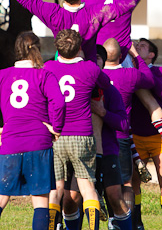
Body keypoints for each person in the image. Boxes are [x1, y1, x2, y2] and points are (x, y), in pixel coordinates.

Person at [85, 0, 162, 171]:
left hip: (98, 62)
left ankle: (130, 158)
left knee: (96, 110)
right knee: (144, 102)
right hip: (124, 59)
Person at [0, 31, 65, 230]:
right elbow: (58, 102)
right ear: (37, 49)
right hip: (39, 143)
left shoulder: (2, 75)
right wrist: (56, 127)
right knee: (40, 201)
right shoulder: (44, 74)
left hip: (11, 143)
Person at [44, 30, 113, 230]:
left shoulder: (48, 67)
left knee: (56, 189)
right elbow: (106, 84)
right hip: (82, 134)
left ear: (57, 49)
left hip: (56, 135)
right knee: (87, 187)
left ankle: (51, 226)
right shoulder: (90, 68)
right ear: (80, 49)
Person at [63, 47, 132, 230]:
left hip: (107, 151)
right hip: (76, 150)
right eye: (90, 58)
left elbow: (124, 124)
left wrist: (103, 112)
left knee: (115, 196)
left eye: (99, 58)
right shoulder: (71, 87)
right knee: (71, 199)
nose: (94, 62)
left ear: (103, 62)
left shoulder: (109, 90)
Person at [129, 39, 162, 230]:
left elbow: (157, 88)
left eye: (142, 46)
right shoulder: (129, 71)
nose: (137, 47)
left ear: (151, 55)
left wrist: (135, 57)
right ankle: (137, 223)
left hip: (160, 137)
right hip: (136, 136)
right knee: (135, 182)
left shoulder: (160, 71)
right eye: (137, 45)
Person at [100, 38, 156, 210]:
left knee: (96, 182)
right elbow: (149, 79)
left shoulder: (95, 75)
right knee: (126, 183)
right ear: (121, 55)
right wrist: (136, 55)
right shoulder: (130, 75)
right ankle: (126, 222)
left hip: (98, 135)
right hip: (121, 136)